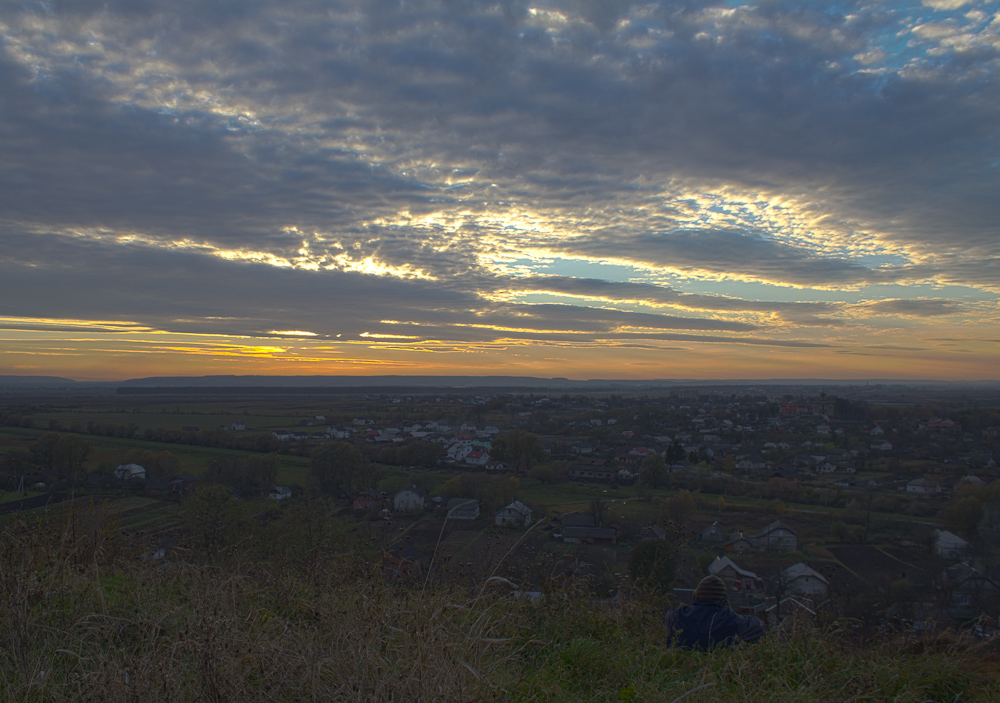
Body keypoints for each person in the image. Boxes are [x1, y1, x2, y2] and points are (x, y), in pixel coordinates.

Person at [664, 575, 765, 649]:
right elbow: (760, 626)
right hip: (718, 670)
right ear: (724, 599)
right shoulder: (731, 620)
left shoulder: (678, 615)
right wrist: (728, 609)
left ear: (696, 595)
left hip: (680, 667)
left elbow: (668, 618)